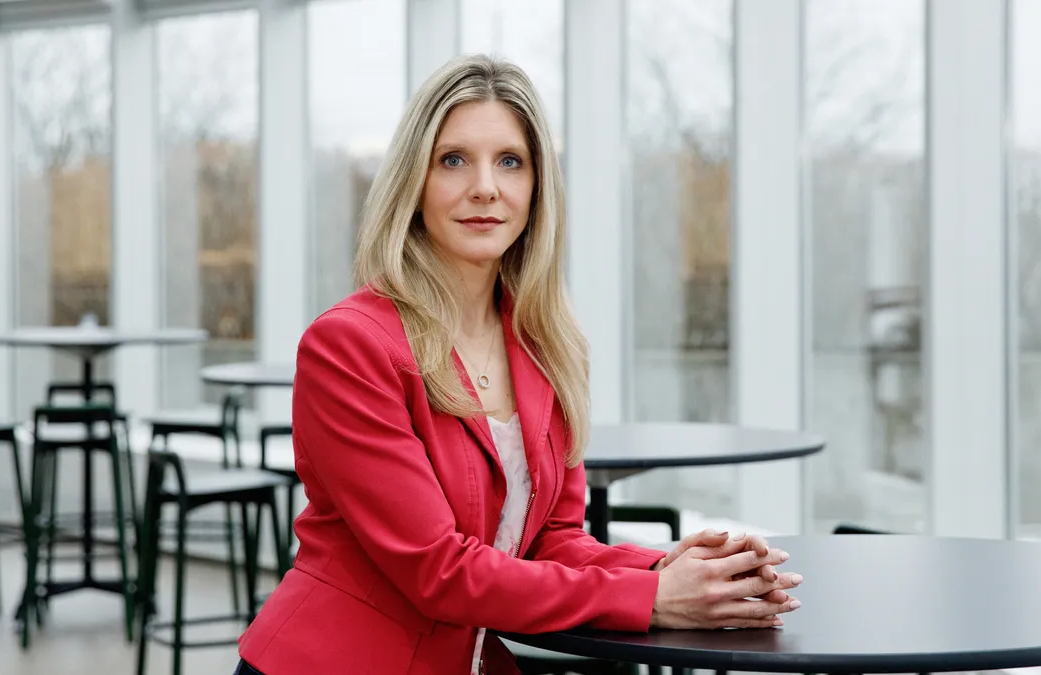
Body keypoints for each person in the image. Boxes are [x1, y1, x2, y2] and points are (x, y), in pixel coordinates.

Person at [234, 54, 803, 675]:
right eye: (453, 160)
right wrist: (654, 599)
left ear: (536, 187)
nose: (486, 187)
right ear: (413, 182)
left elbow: (552, 543)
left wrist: (682, 572)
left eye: (511, 161)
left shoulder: (547, 345)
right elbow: (438, 571)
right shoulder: (351, 345)